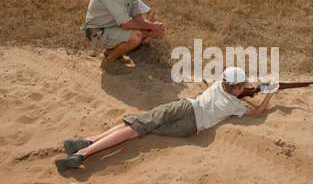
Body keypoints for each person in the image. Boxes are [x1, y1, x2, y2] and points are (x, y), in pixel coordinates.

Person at [55, 67, 279, 171]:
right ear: (238, 88)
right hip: (190, 127)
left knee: (135, 125)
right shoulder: (234, 106)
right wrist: (267, 94)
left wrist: (250, 90)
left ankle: (83, 152)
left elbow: (233, 88)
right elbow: (257, 113)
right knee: (137, 126)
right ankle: (88, 142)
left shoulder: (217, 85)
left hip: (185, 107)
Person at [81, 0, 165, 74]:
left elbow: (136, 13)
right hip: (97, 33)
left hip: (111, 28)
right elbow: (126, 24)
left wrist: (150, 27)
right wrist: (151, 25)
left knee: (147, 32)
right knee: (136, 36)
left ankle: (111, 51)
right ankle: (109, 61)